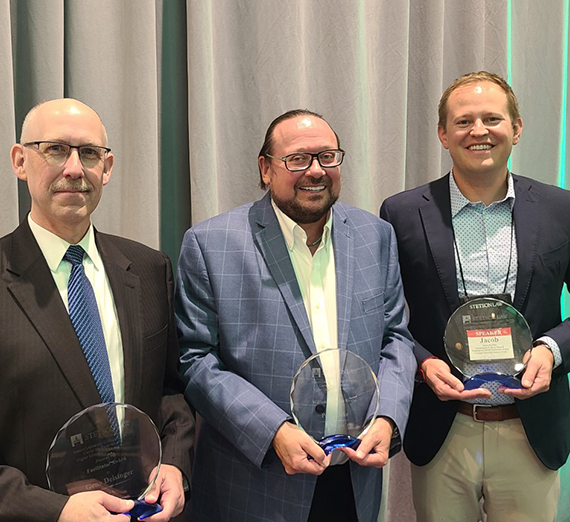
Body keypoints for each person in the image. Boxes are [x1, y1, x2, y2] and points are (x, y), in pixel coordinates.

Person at [175, 109, 416, 521]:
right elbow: (196, 361)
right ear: (265, 169)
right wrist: (273, 431)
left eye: (328, 157)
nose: (316, 171)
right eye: (298, 159)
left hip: (353, 479)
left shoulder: (375, 235)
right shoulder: (211, 244)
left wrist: (389, 417)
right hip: (257, 481)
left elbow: (396, 337)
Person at [380, 71, 570, 522]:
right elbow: (382, 317)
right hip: (443, 426)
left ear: (517, 128)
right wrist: (423, 363)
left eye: (492, 119)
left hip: (530, 429)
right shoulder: (401, 213)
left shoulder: (562, 209)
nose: (479, 131)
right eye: (464, 121)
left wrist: (552, 349)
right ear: (444, 134)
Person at [2, 98, 195, 522]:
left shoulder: (149, 269)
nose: (74, 169)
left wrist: (176, 464)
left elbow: (171, 391)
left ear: (106, 168)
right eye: (55, 149)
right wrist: (55, 510)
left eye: (89, 153)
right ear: (20, 161)